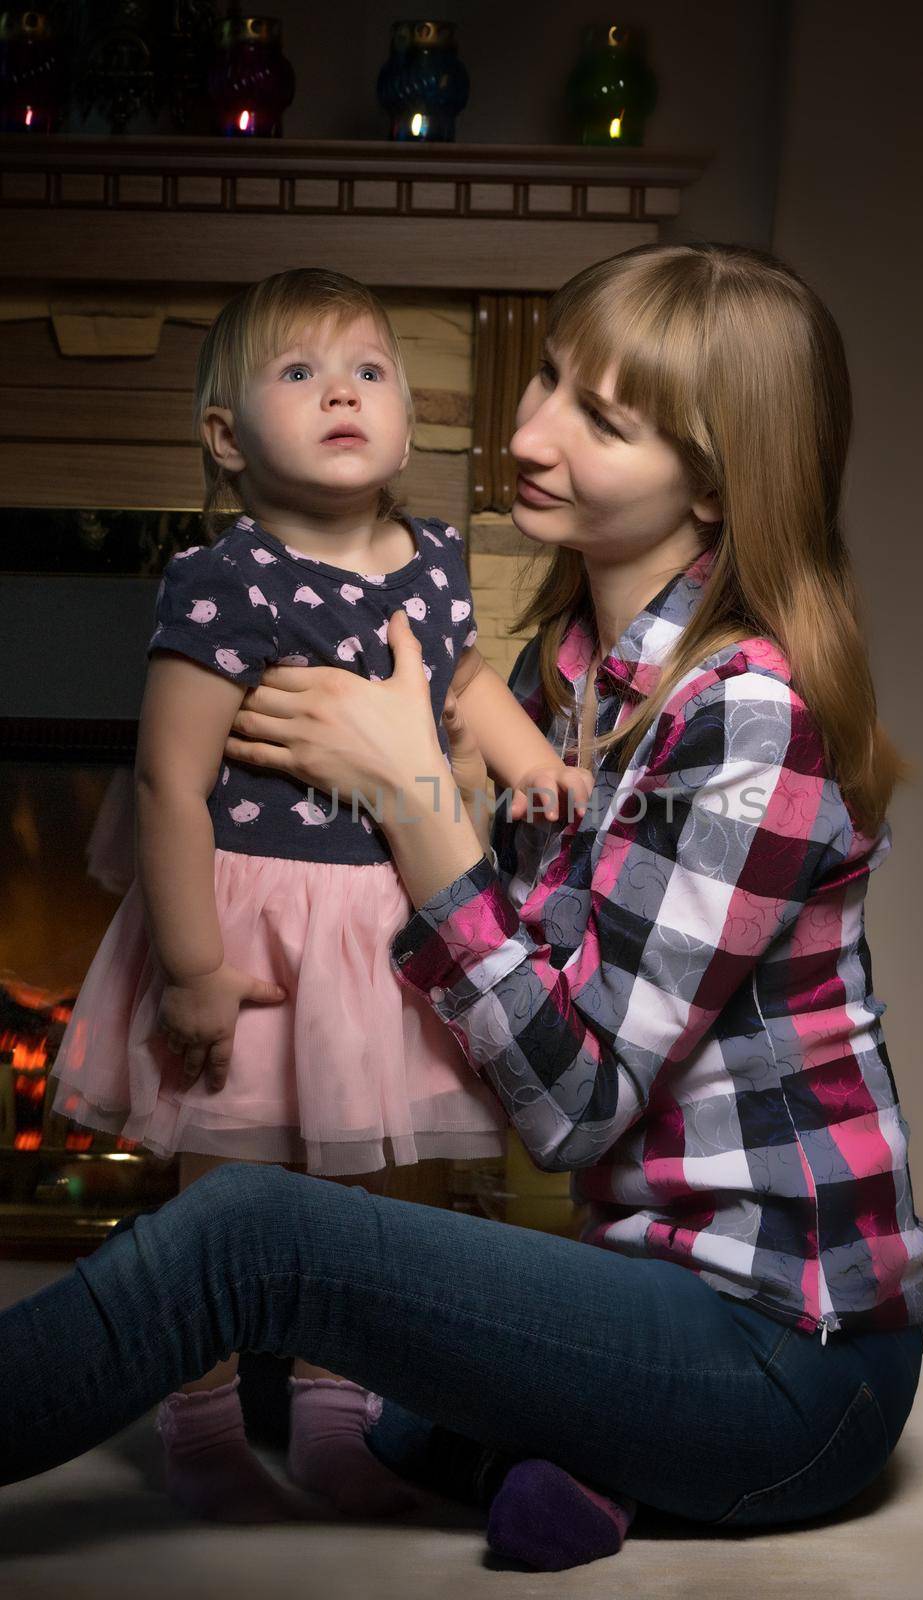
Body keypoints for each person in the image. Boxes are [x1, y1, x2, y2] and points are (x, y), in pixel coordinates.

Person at [2, 242, 923, 1573]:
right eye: (545, 376)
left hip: (785, 1355)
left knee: (250, 1240)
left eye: (597, 419)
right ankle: (576, 1456)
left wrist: (412, 796)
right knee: (285, 1378)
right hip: (632, 1283)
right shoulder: (564, 678)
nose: (526, 430)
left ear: (716, 485)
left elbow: (574, 1109)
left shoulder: (746, 717)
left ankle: (596, 1447)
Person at [43, 268, 592, 1525]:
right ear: (228, 437)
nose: (342, 389)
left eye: (367, 369)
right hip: (252, 921)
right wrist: (189, 965)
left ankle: (343, 1415)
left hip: (387, 916)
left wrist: (533, 763)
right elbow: (168, 780)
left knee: (372, 1191)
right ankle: (199, 1412)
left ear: (405, 419)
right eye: (299, 374)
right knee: (228, 1175)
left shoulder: (436, 558)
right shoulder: (220, 582)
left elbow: (459, 689)